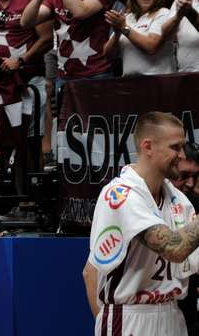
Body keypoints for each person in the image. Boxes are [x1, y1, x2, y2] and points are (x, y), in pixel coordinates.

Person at [83, 112, 199, 335]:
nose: (182, 155)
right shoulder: (120, 196)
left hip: (172, 314)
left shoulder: (178, 199)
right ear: (148, 147)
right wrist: (107, 320)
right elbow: (175, 248)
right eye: (175, 147)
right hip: (130, 316)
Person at [104, 0, 176, 75]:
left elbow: (151, 47)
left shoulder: (163, 13)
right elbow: (108, 56)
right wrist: (116, 34)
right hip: (131, 84)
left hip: (158, 82)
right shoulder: (127, 18)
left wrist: (123, 28)